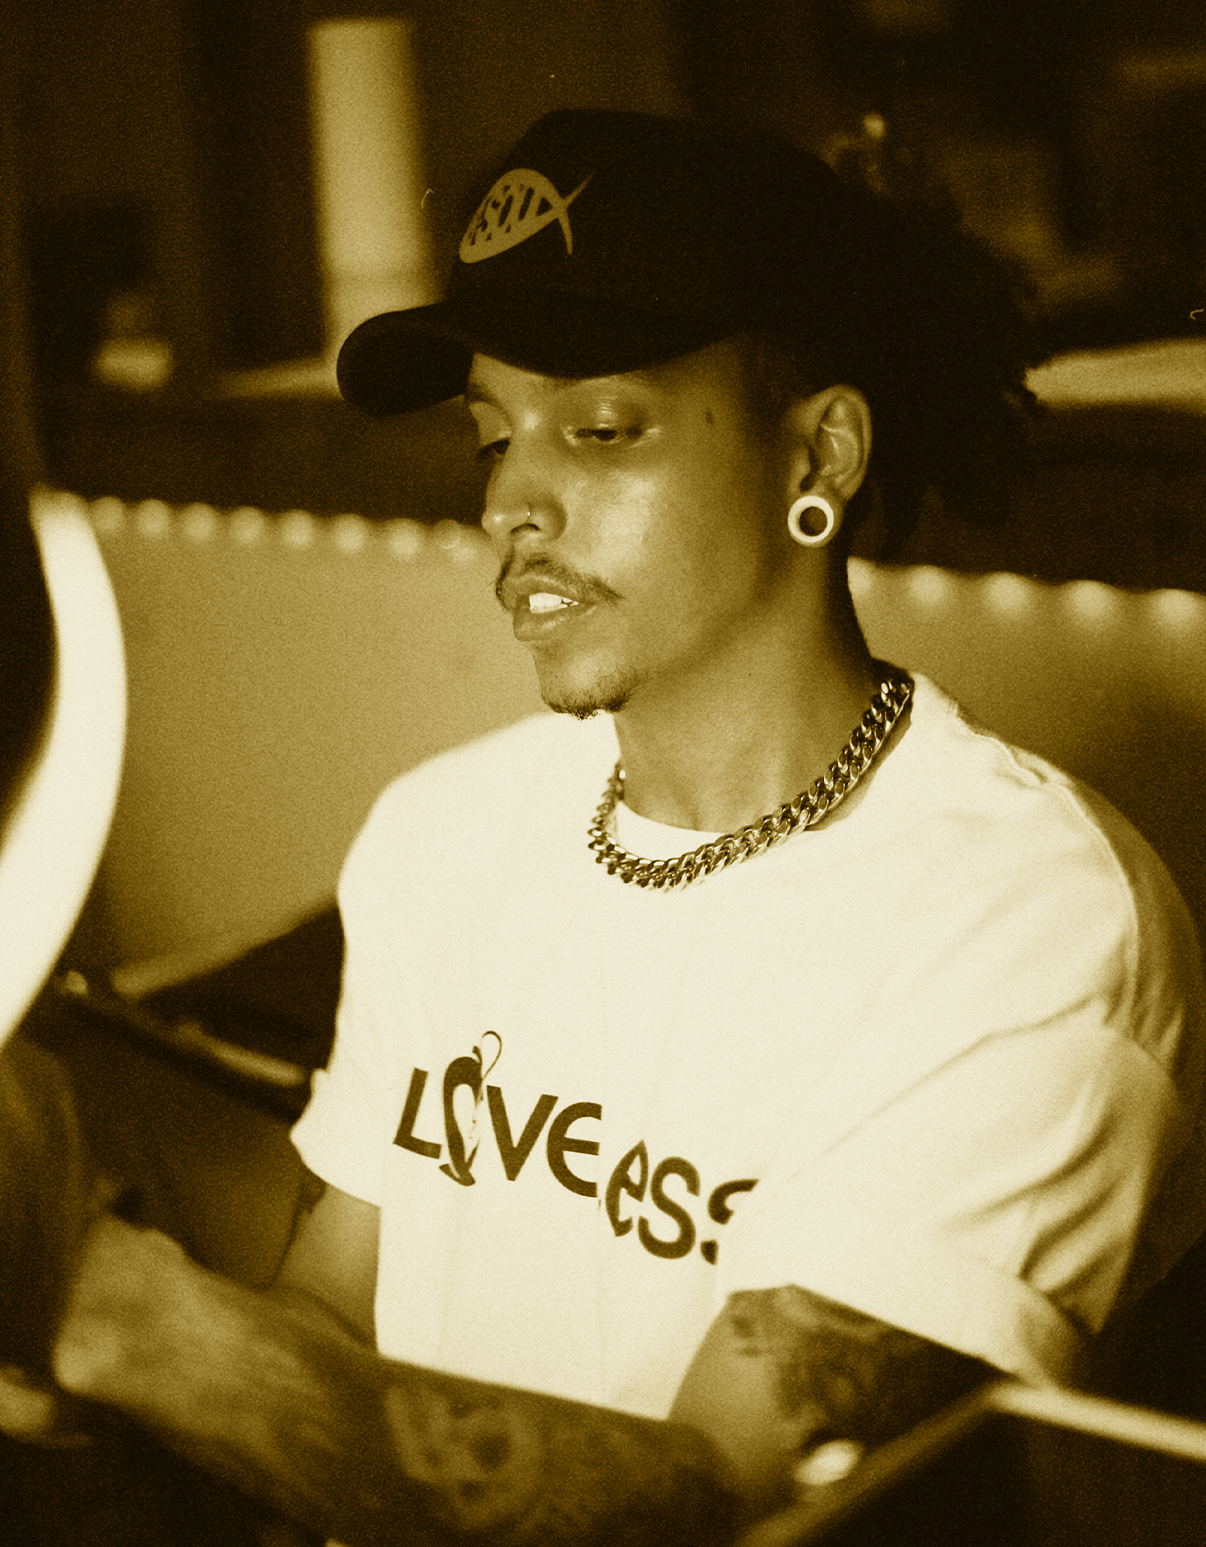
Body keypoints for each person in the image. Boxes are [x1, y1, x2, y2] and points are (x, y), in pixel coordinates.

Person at [51, 108, 1206, 1546]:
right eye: (489, 434)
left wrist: (109, 1301)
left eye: (599, 429)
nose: (511, 503)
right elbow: (329, 1327)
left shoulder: (1025, 920)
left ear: (819, 456)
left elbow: (723, 1501)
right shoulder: (440, 834)